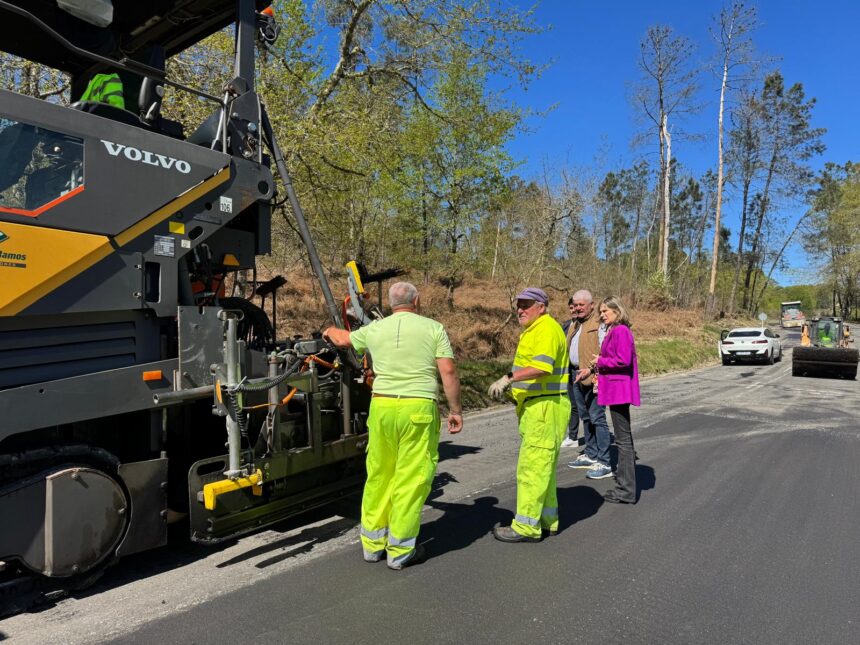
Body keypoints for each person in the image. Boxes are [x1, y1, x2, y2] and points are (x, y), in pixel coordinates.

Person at [323, 281, 463, 569]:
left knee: (379, 474)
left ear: (389, 303)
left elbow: (343, 339)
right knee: (410, 478)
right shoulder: (433, 329)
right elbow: (447, 371)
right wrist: (455, 410)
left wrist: (327, 330)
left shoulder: (376, 329)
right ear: (418, 300)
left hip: (383, 407)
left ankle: (373, 545)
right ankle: (400, 550)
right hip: (417, 408)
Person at [487, 287, 570, 542]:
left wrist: (509, 378)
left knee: (532, 469)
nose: (520, 310)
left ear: (541, 307)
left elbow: (542, 367)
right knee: (543, 469)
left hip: (544, 409)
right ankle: (546, 520)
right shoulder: (535, 330)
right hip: (541, 407)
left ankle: (525, 526)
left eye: (526, 305)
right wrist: (517, 394)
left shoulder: (545, 328)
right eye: (518, 305)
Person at [593, 296, 641, 504]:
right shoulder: (617, 330)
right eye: (601, 312)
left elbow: (622, 360)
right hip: (616, 390)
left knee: (623, 440)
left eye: (606, 311)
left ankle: (627, 489)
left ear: (617, 311)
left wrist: (600, 361)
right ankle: (624, 485)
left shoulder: (620, 330)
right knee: (623, 439)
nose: (602, 314)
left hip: (619, 391)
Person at [566, 290, 613, 480]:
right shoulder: (575, 323)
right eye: (575, 305)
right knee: (585, 416)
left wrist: (592, 369)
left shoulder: (600, 323)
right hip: (576, 374)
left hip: (594, 376)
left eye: (581, 305)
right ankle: (591, 453)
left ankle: (604, 461)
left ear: (591, 305)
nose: (577, 308)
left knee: (597, 417)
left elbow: (605, 351)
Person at [561, 297, 581, 449]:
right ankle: (572, 436)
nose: (573, 310)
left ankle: (593, 440)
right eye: (571, 308)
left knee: (586, 407)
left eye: (576, 307)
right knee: (572, 404)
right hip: (568, 371)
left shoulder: (586, 326)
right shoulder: (565, 326)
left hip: (584, 370)